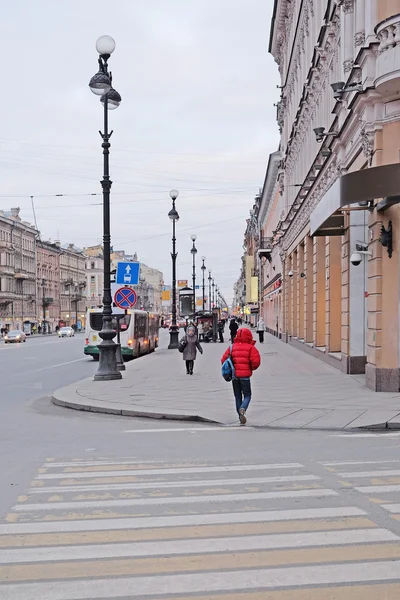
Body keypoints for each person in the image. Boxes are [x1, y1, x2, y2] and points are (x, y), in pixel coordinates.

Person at [221, 328, 260, 425]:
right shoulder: (251, 348)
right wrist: (250, 368)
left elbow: (223, 360)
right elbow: (256, 362)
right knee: (247, 395)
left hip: (235, 376)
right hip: (245, 376)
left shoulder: (232, 347)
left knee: (237, 396)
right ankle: (243, 408)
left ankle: (240, 415)